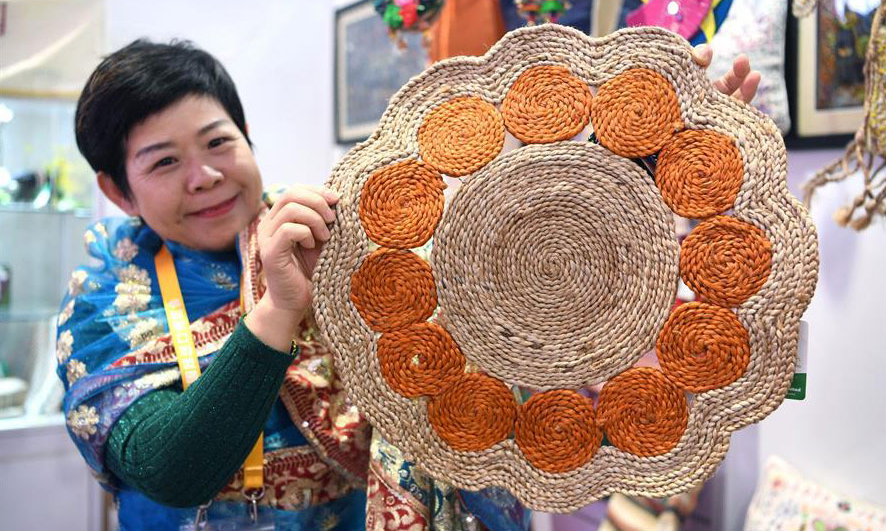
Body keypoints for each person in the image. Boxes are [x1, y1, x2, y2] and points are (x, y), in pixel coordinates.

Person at [55, 38, 759, 531]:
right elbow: (173, 472)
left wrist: (647, 149)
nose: (204, 177)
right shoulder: (104, 308)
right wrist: (276, 316)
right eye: (164, 162)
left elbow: (505, 258)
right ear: (117, 191)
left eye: (217, 143)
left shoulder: (333, 234)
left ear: (248, 140)